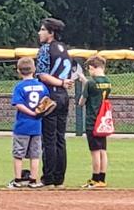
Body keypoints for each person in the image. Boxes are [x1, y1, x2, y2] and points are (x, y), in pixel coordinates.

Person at [35, 17, 73, 186]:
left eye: (43, 30)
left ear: (51, 33)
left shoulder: (45, 49)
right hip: (64, 96)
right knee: (60, 138)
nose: (39, 33)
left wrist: (60, 82)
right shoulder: (64, 49)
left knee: (49, 139)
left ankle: (48, 178)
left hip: (51, 95)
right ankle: (59, 178)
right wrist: (64, 83)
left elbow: (43, 75)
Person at [9, 56, 50, 189]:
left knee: (18, 154)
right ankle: (33, 179)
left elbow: (18, 104)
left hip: (22, 125)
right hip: (37, 126)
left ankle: (18, 180)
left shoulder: (20, 86)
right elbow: (47, 102)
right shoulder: (42, 86)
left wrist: (30, 113)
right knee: (35, 155)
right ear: (34, 69)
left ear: (18, 71)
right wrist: (38, 112)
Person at [75, 54, 112, 188]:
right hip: (103, 121)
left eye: (89, 69)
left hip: (92, 120)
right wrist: (85, 80)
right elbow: (97, 89)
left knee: (95, 151)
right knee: (103, 150)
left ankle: (95, 178)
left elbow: (81, 102)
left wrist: (84, 87)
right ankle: (102, 178)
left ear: (92, 67)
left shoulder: (90, 83)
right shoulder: (108, 82)